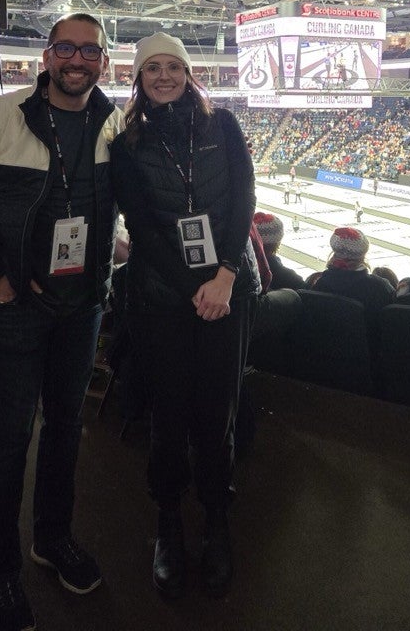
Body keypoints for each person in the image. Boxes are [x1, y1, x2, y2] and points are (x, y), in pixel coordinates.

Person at [0, 13, 123, 631]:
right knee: (9, 439)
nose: (77, 60)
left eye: (90, 51)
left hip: (83, 305)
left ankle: (52, 538)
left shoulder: (115, 123)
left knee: (66, 429)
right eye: (66, 48)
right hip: (17, 309)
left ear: (103, 61)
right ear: (46, 55)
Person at [110, 32, 261, 600]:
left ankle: (216, 519)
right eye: (154, 68)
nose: (165, 75)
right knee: (168, 414)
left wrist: (223, 275)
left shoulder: (223, 125)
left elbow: (243, 197)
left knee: (216, 413)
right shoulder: (128, 144)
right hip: (162, 297)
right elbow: (142, 228)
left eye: (174, 66)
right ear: (139, 77)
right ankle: (168, 522)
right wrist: (191, 288)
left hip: (228, 289)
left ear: (189, 73)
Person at [314, 227, 397, 352]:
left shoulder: (318, 285)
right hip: (367, 363)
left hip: (324, 358)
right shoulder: (379, 288)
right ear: (362, 256)